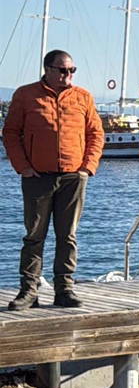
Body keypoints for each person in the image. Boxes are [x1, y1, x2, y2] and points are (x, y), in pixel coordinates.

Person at [2, 50, 104, 309]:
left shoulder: (83, 97)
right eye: (62, 70)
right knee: (34, 236)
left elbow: (95, 133)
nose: (67, 75)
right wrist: (22, 167)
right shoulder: (26, 95)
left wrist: (87, 168)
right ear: (47, 69)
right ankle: (29, 292)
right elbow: (11, 133)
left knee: (67, 236)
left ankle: (64, 290)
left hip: (73, 177)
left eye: (71, 70)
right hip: (37, 177)